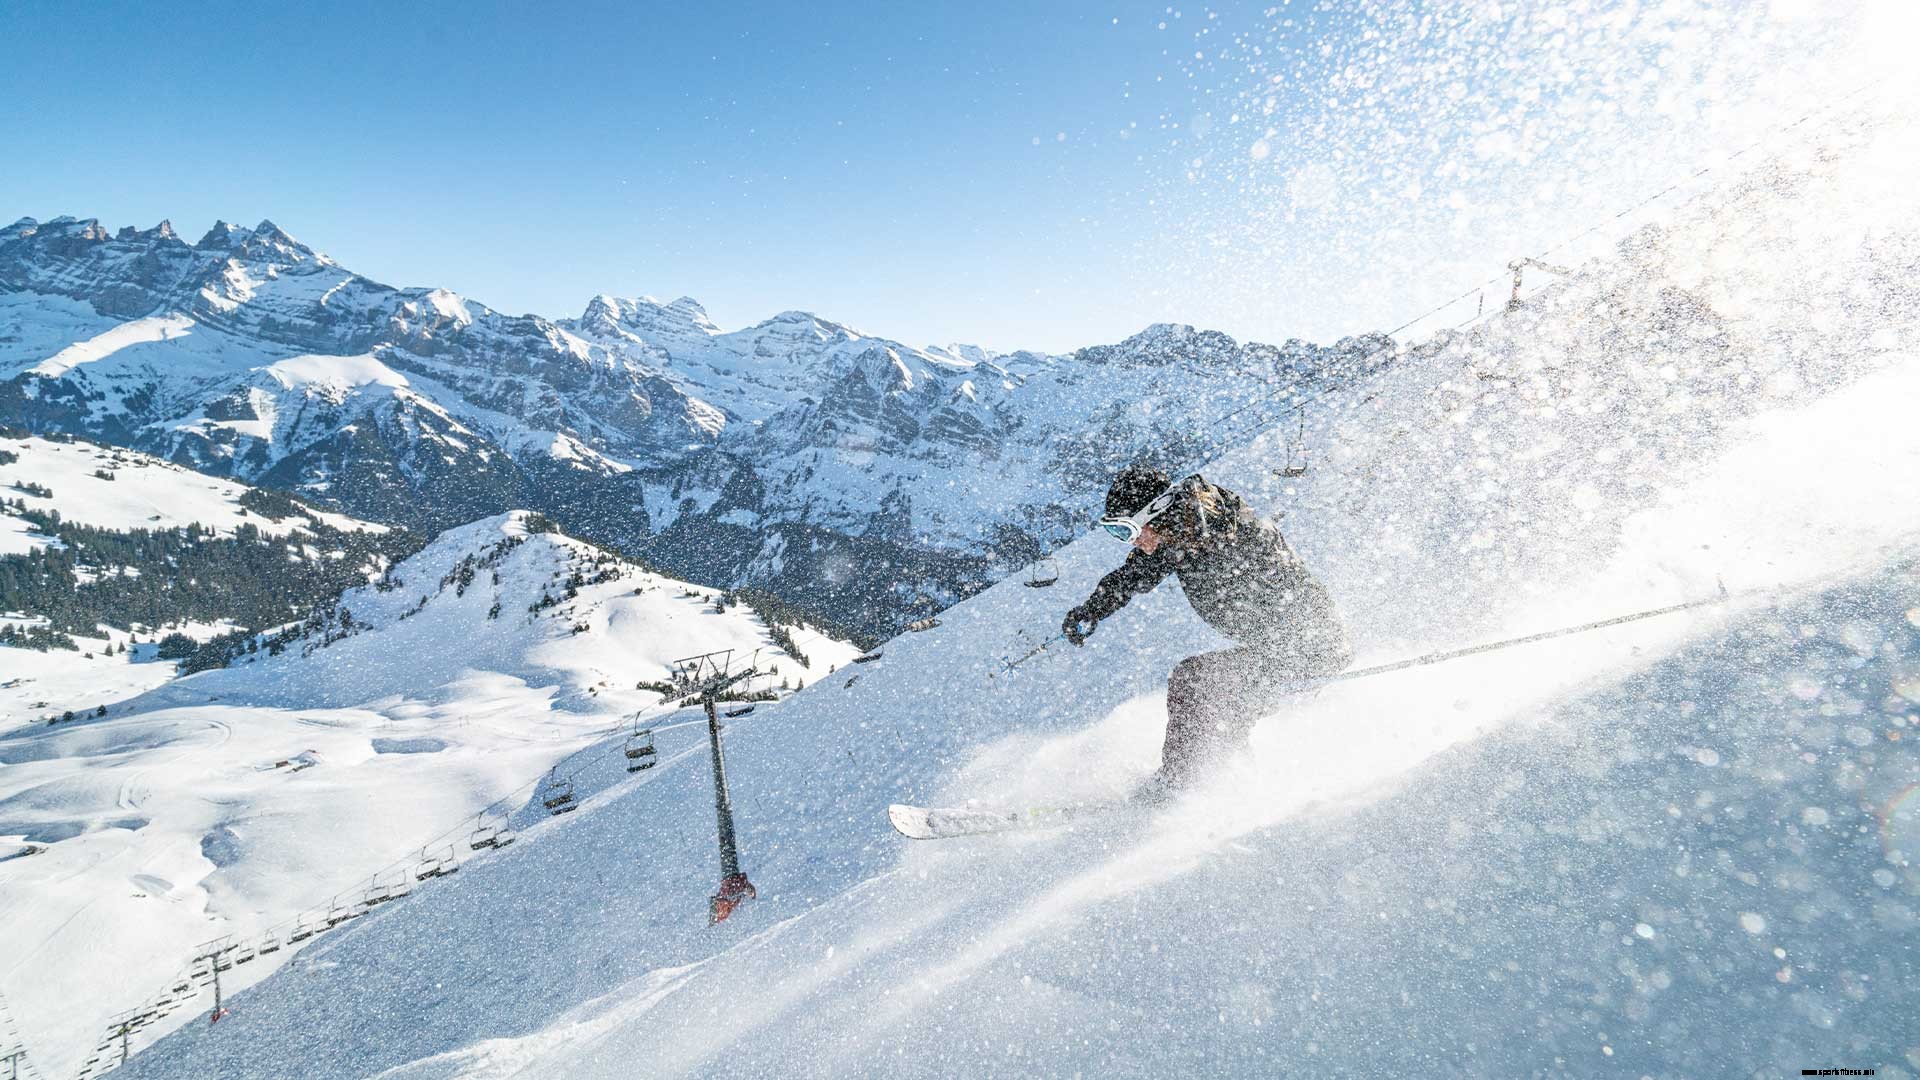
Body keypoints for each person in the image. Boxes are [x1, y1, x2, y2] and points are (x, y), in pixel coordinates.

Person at [1062, 463, 1351, 799]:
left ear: (1156, 511)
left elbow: (1295, 595)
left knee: (1197, 681)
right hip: (1282, 646)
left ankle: (1181, 785)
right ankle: (1226, 782)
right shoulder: (1178, 534)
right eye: (1117, 533)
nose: (1132, 542)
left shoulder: (1231, 534)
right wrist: (1093, 609)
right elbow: (1133, 576)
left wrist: (1297, 660)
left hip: (1307, 644)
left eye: (1127, 530)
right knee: (1217, 694)